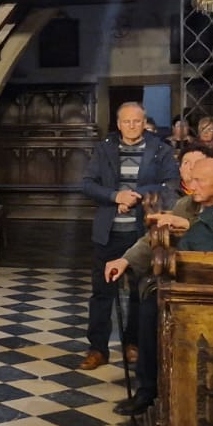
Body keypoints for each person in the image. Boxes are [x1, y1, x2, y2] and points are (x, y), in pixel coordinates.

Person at [101, 156, 213, 417]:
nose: (192, 185)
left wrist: (189, 226)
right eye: (191, 179)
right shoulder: (185, 204)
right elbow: (153, 239)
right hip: (181, 279)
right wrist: (125, 260)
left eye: (200, 180)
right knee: (150, 306)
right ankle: (147, 390)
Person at [77, 103, 176, 371]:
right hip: (109, 232)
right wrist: (115, 196)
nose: (132, 126)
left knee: (139, 293)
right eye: (127, 121)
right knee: (101, 293)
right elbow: (87, 184)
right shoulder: (104, 148)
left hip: (141, 232)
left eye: (137, 121)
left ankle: (133, 344)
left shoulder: (161, 149)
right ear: (118, 124)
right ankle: (97, 349)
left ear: (144, 123)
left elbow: (170, 185)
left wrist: (135, 196)